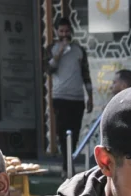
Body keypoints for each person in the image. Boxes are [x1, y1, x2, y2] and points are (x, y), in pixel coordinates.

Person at [47, 17, 93, 156]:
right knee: (62, 132)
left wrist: (90, 97)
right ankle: (66, 165)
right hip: (60, 97)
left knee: (74, 132)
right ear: (56, 32)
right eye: (61, 31)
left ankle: (70, 161)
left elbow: (86, 74)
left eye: (67, 31)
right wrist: (59, 52)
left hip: (77, 98)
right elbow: (48, 70)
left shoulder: (79, 50)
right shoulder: (51, 49)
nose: (64, 34)